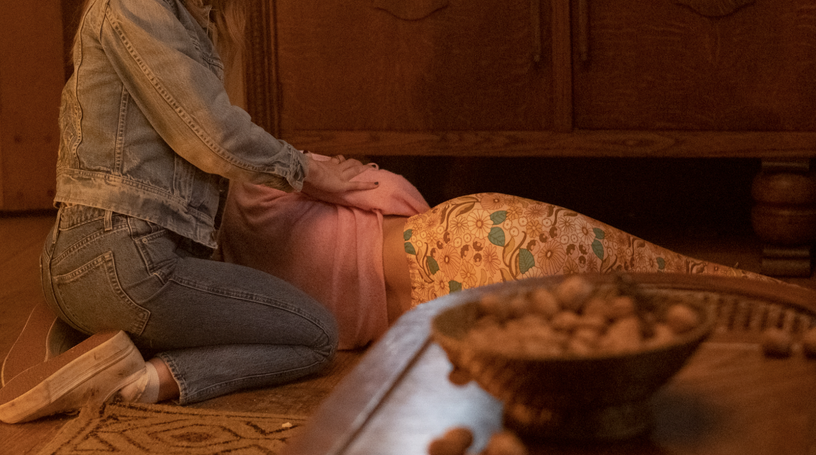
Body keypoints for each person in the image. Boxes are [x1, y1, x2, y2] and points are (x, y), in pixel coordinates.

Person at [0, 0, 377, 424]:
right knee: (315, 334)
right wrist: (310, 172)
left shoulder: (177, 10)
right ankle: (138, 379)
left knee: (260, 309)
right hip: (127, 260)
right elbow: (209, 133)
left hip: (97, 258)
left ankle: (83, 330)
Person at [218, 154, 773, 350]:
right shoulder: (263, 177)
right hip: (474, 238)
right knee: (674, 275)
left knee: (632, 335)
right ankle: (786, 310)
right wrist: (348, 173)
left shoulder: (232, 289)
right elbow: (392, 191)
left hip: (440, 323)